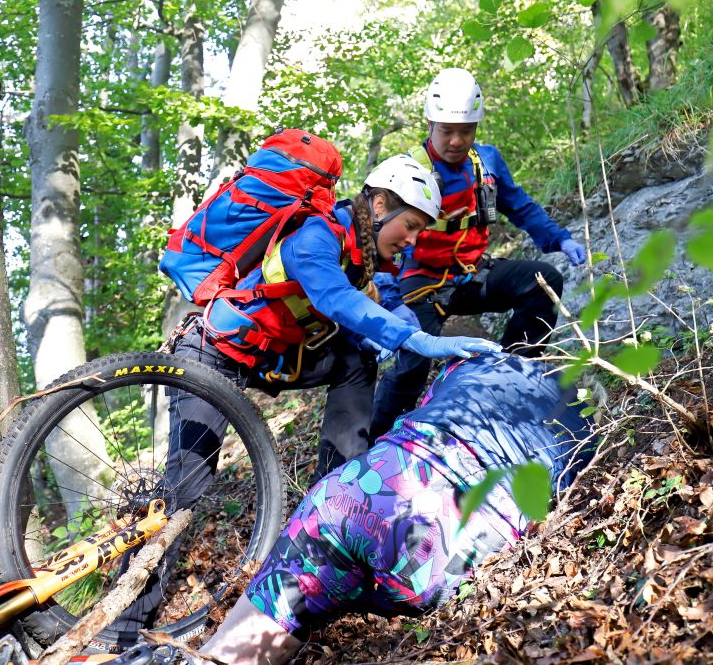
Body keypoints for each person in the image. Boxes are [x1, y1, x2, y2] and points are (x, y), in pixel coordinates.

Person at [107, 154, 502, 642]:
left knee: (357, 361)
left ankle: (337, 502)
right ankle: (121, 631)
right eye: (411, 225)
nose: (413, 240)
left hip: (274, 361)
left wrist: (418, 336)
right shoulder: (313, 234)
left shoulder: (370, 259)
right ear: (379, 205)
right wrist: (416, 340)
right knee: (184, 492)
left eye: (419, 232)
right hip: (213, 355)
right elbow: (333, 297)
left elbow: (389, 303)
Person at [184, 352, 595, 665]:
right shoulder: (587, 430)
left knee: (245, 642)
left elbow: (421, 405)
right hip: (448, 539)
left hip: (354, 494)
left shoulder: (476, 362)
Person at [370, 67, 587, 439]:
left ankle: (509, 379)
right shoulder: (406, 171)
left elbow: (520, 207)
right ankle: (375, 438)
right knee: (413, 360)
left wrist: (559, 239)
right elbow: (378, 240)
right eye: (447, 130)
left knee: (542, 282)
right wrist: (388, 298)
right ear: (429, 123)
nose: (457, 140)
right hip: (421, 283)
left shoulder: (486, 163)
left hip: (474, 275)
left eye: (466, 130)